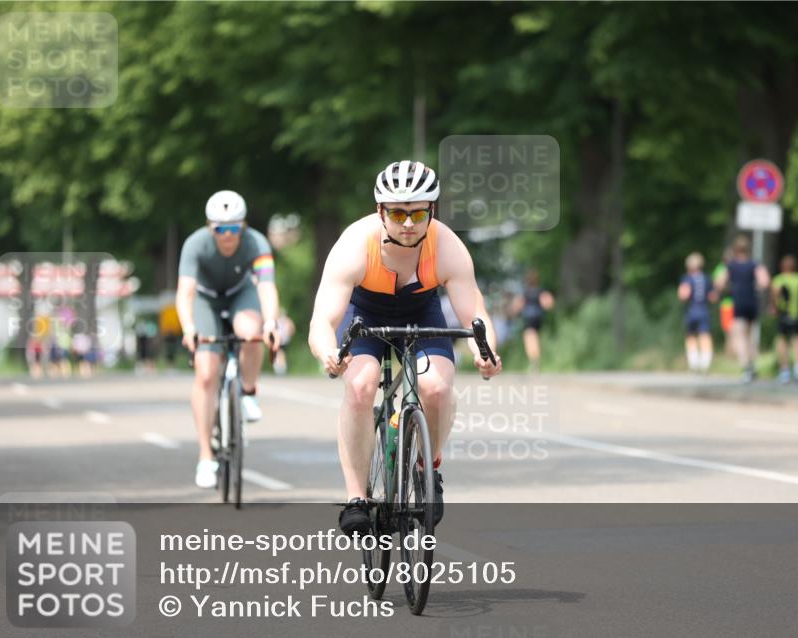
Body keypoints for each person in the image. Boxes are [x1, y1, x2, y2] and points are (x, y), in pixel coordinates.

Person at [308, 160, 503, 537]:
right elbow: (322, 321)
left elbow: (474, 313)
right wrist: (327, 352)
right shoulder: (354, 244)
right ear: (381, 211)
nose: (409, 224)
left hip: (420, 309)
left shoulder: (448, 246)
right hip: (365, 312)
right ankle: (355, 500)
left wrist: (486, 352)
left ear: (432, 210)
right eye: (398, 213)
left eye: (418, 213)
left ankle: (425, 468)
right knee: (361, 386)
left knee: (437, 388)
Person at [176, 190, 281, 489]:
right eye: (220, 229)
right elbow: (185, 292)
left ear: (243, 226)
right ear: (210, 227)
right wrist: (188, 328)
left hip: (240, 294)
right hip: (205, 300)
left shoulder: (257, 243)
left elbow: (267, 288)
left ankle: (247, 392)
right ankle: (206, 455)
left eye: (233, 228)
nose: (227, 236)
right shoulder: (195, 244)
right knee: (206, 373)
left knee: (251, 332)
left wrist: (271, 322)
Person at [714, 234, 769, 382]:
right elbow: (764, 282)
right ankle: (753, 364)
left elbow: (719, 283)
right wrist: (755, 286)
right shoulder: (754, 264)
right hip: (752, 301)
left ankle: (746, 367)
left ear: (735, 250)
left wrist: (726, 287)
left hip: (738, 302)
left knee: (739, 335)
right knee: (749, 335)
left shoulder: (730, 265)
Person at [770, 254, 798, 383]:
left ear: (782, 266)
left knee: (781, 341)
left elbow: (775, 295)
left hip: (784, 315)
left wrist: (774, 307)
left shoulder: (779, 279)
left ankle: (785, 371)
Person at [678, 252, 716, 374]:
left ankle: (694, 364)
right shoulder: (707, 278)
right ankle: (705, 364)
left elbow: (684, 295)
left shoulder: (687, 278)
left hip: (692, 310)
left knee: (691, 337)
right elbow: (713, 297)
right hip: (704, 310)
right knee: (705, 336)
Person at [511, 269, 554, 372]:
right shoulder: (541, 291)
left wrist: (515, 311)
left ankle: (534, 361)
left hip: (529, 319)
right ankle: (536, 361)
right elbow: (549, 303)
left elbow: (517, 306)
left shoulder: (525, 292)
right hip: (538, 318)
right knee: (536, 338)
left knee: (530, 339)